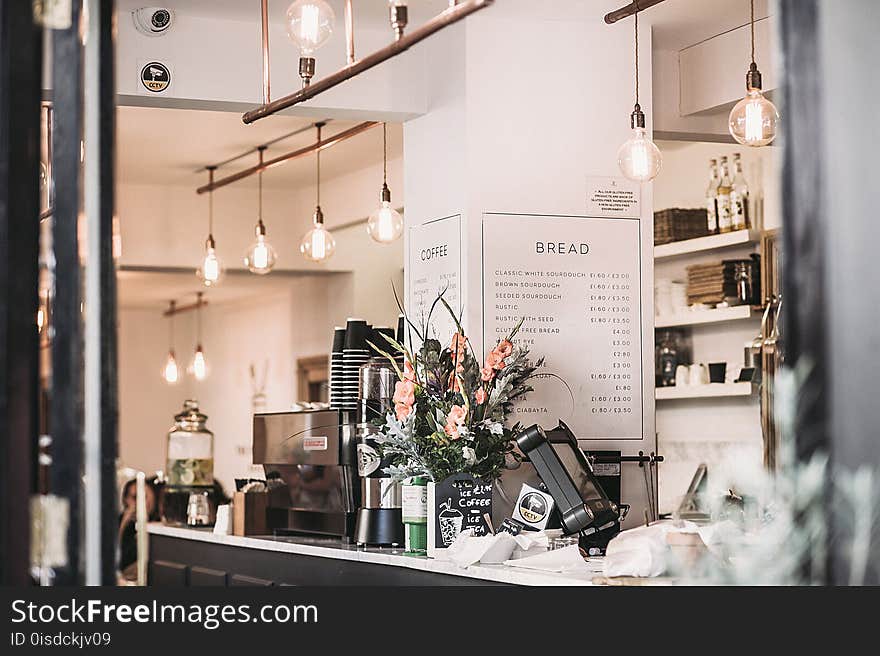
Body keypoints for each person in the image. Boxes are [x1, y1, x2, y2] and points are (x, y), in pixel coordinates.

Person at [117, 476, 161, 582]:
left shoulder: (159, 522)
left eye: (145, 496)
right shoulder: (125, 522)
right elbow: (116, 560)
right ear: (126, 501)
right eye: (136, 497)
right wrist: (123, 524)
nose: (144, 502)